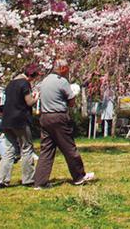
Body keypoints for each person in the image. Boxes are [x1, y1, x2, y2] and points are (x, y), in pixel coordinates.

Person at [33, 60, 95, 188]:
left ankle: (39, 182)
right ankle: (79, 176)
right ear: (62, 68)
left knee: (46, 149)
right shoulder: (62, 81)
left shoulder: (44, 81)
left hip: (45, 117)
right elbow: (71, 101)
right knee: (69, 147)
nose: (68, 71)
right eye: (67, 68)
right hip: (58, 117)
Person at [0, 63, 41, 189]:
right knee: (26, 148)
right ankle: (28, 179)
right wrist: (36, 97)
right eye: (35, 77)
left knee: (9, 150)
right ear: (31, 75)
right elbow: (29, 102)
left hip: (6, 120)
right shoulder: (24, 83)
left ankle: (2, 180)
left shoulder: (10, 84)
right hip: (20, 120)